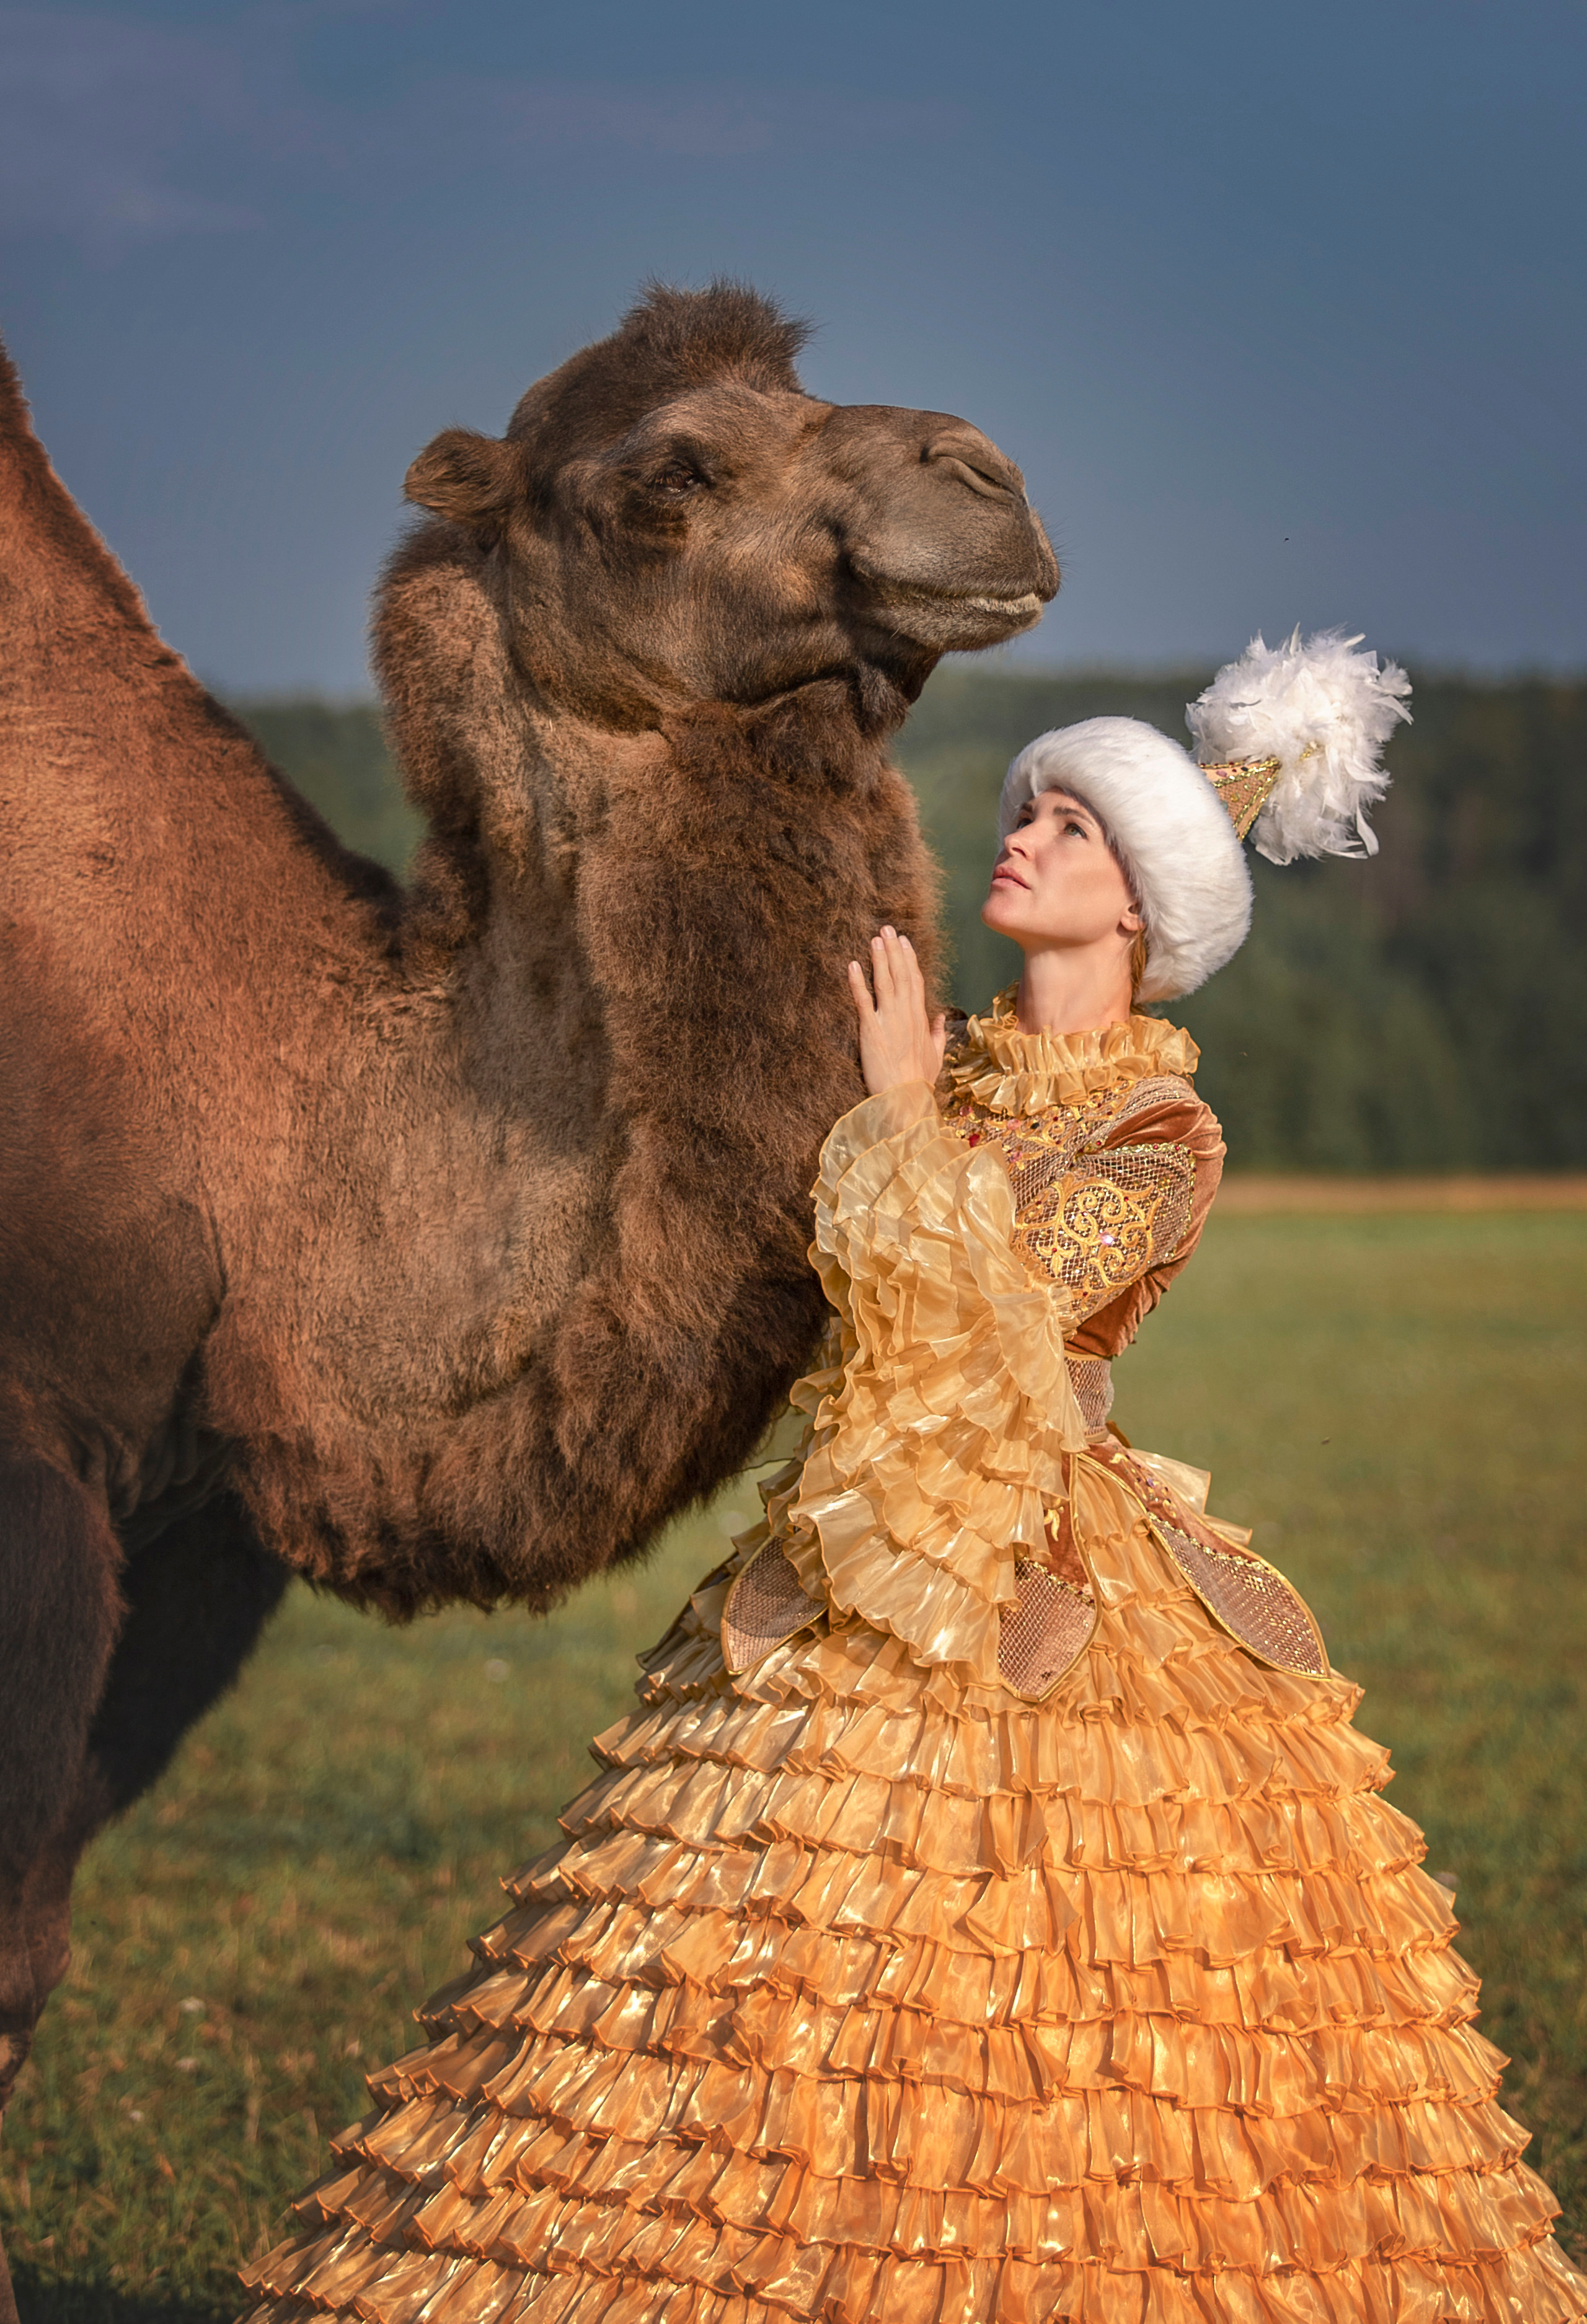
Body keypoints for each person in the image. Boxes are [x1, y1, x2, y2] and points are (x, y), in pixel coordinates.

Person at [241, 633, 1585, 2322]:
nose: (1021, 835)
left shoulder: (1161, 1137)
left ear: (1143, 921)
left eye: (1074, 831)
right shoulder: (928, 1047)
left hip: (1046, 1562)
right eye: (1031, 811)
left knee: (1066, 1982)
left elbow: (1001, 1332)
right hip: (849, 1545)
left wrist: (891, 1116)